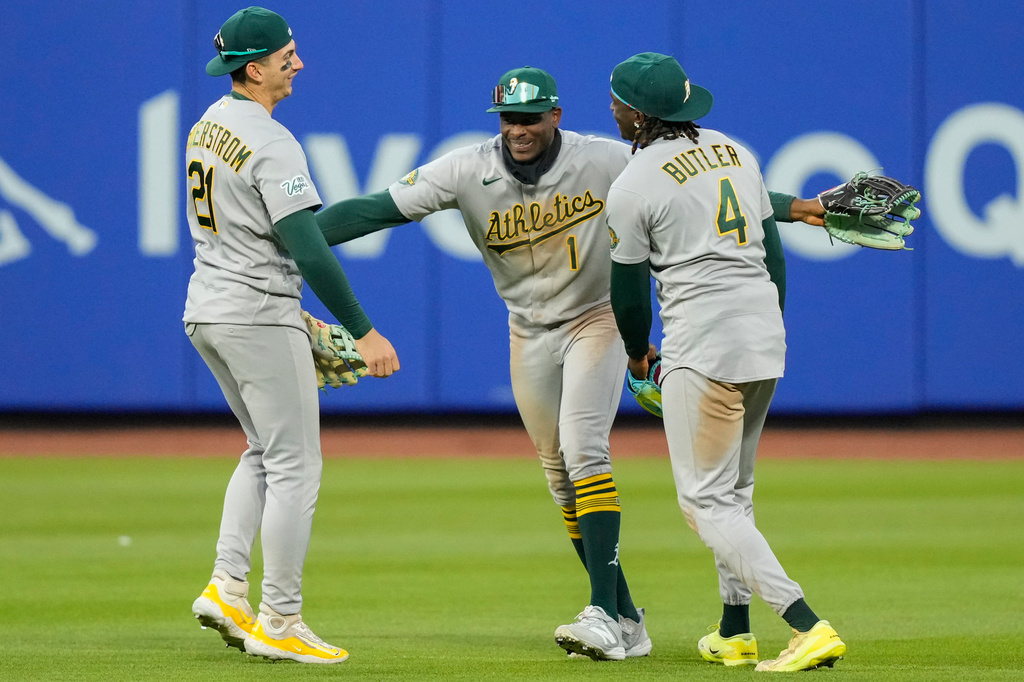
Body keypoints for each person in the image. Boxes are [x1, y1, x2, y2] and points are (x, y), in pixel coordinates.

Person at [305, 65, 825, 661]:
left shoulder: (605, 160)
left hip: (595, 319)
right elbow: (374, 210)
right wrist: (295, 240)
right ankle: (625, 615)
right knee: (558, 475)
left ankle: (605, 611)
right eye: (508, 119)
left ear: (556, 115)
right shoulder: (465, 168)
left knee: (584, 449)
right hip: (526, 330)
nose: (518, 130)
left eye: (530, 117)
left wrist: (797, 208)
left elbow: (699, 192)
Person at [606, 52, 847, 672]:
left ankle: (805, 623)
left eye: (617, 101)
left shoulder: (633, 185)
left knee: (704, 503)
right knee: (733, 495)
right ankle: (734, 629)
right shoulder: (735, 151)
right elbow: (773, 252)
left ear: (636, 114)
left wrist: (637, 356)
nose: (611, 109)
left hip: (703, 343)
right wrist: (770, 324)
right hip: (762, 331)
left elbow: (628, 291)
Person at [184, 6, 399, 665]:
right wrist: (363, 332)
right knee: (297, 465)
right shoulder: (273, 140)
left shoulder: (208, 124)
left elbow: (269, 230)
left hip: (208, 307)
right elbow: (306, 247)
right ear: (256, 67)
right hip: (256, 312)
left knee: (264, 451)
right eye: (286, 56)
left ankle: (227, 586)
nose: (297, 63)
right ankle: (279, 618)